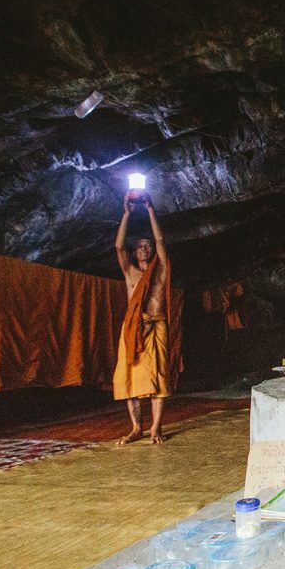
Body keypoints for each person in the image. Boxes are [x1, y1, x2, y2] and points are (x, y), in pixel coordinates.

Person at [113, 190, 172, 444]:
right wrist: (126, 214)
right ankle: (136, 427)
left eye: (147, 246)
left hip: (156, 327)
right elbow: (117, 246)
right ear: (135, 252)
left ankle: (155, 428)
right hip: (133, 328)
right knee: (129, 379)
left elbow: (161, 242)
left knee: (158, 379)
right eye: (140, 246)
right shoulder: (130, 274)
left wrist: (150, 210)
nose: (145, 249)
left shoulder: (161, 272)